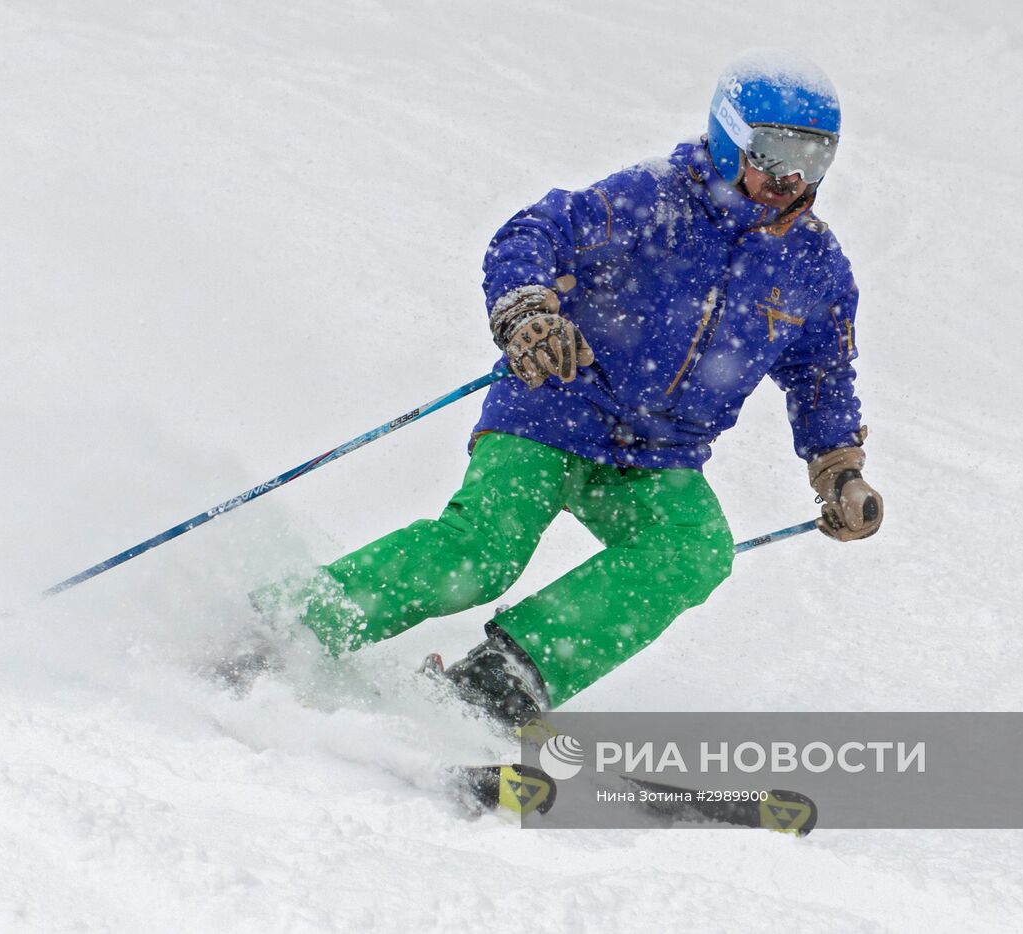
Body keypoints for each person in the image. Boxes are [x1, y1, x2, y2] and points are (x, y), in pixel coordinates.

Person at [252, 48, 882, 726]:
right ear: (730, 137)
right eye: (776, 154)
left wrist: (838, 469)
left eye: (815, 160)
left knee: (693, 548)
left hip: (657, 457)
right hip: (552, 412)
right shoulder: (655, 197)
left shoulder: (814, 263)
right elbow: (534, 232)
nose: (792, 178)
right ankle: (294, 624)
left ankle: (498, 684)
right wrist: (528, 312)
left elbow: (822, 374)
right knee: (482, 554)